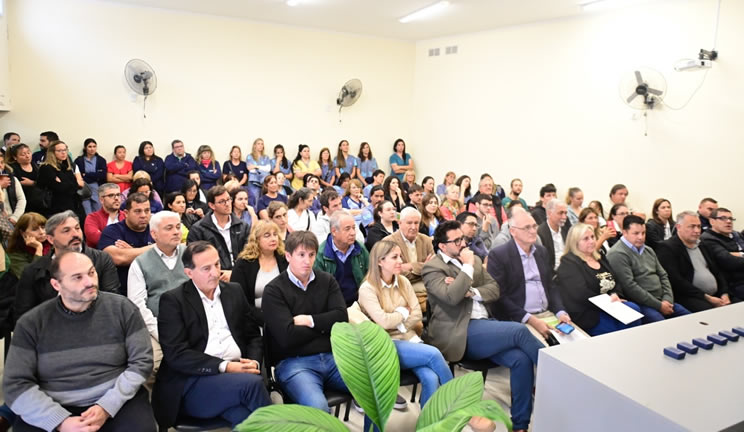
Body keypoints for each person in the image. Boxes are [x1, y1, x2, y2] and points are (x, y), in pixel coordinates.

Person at [4, 251, 156, 432]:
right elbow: (16, 384)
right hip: (54, 402)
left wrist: (107, 407)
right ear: (56, 284)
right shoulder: (32, 324)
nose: (90, 282)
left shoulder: (122, 309)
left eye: (92, 273)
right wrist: (60, 421)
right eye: (77, 277)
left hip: (115, 398)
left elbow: (142, 362)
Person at [422, 220, 543, 432]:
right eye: (456, 240)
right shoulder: (433, 268)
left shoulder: (475, 260)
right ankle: (556, 374)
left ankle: (520, 426)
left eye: (463, 238)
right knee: (520, 331)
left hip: (486, 327)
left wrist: (472, 292)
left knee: (520, 359)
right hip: (458, 331)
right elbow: (451, 298)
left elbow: (494, 289)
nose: (463, 243)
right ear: (442, 246)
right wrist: (466, 268)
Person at [153, 242, 270, 430]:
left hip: (237, 374)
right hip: (195, 382)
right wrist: (226, 367)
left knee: (244, 417)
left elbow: (253, 336)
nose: (215, 273)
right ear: (189, 273)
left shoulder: (234, 291)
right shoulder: (173, 301)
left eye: (217, 264)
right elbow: (177, 354)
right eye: (206, 268)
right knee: (252, 385)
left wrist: (253, 362)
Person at [262, 231, 350, 412]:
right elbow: (286, 337)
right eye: (301, 255)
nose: (307, 261)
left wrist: (310, 321)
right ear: (288, 256)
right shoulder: (274, 290)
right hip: (294, 363)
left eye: (311, 255)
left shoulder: (327, 280)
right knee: (319, 407)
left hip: (333, 358)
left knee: (374, 391)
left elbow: (341, 319)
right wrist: (325, 328)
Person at [359, 240, 453, 407]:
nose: (401, 261)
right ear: (380, 261)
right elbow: (382, 322)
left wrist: (399, 324)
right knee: (434, 354)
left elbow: (416, 313)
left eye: (400, 256)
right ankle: (458, 404)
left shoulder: (403, 281)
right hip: (386, 345)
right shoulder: (367, 289)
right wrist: (402, 312)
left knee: (431, 378)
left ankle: (427, 425)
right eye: (394, 257)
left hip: (408, 338)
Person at [14, 211, 120, 320]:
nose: (75, 234)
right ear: (51, 239)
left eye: (77, 228)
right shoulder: (34, 270)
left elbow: (111, 302)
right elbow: (23, 315)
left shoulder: (101, 259)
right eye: (66, 231)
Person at [487, 211, 573, 344]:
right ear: (513, 231)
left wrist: (561, 312)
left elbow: (551, 286)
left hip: (547, 314)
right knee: (548, 352)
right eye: (527, 227)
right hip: (519, 318)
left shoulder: (541, 251)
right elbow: (499, 297)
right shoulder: (499, 255)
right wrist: (530, 319)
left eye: (534, 226)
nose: (533, 231)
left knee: (578, 342)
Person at [127, 211, 189, 386]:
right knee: (151, 365)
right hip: (156, 327)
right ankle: (155, 411)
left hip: (192, 322)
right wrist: (160, 331)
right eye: (169, 228)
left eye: (178, 227)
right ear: (154, 234)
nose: (176, 232)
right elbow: (137, 305)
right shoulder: (139, 263)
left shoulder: (190, 254)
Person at [554, 223, 642, 336]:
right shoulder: (569, 262)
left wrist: (615, 294)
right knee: (619, 330)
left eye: (592, 237)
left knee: (634, 309)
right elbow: (580, 294)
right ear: (575, 243)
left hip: (610, 306)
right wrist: (608, 302)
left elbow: (615, 280)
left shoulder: (599, 256)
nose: (591, 241)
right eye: (585, 239)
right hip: (588, 312)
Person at [606, 215, 691, 323]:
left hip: (663, 300)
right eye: (636, 233)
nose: (641, 237)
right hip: (641, 303)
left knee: (691, 320)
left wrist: (667, 300)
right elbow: (629, 287)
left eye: (643, 233)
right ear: (624, 232)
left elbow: (663, 275)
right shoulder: (617, 254)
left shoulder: (648, 250)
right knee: (663, 327)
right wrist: (659, 306)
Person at [656, 211, 731, 312]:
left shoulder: (703, 245)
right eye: (692, 227)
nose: (697, 231)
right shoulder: (667, 248)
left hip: (716, 295)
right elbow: (676, 281)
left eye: (699, 226)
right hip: (689, 296)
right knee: (708, 311)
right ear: (678, 227)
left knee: (736, 304)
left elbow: (717, 271)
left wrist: (724, 293)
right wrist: (707, 298)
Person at [187, 185, 250, 279]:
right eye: (222, 201)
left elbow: (249, 253)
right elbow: (195, 259)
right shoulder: (198, 229)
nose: (227, 204)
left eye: (229, 199)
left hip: (241, 275)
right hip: (212, 277)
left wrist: (234, 273)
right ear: (212, 205)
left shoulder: (242, 226)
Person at [99, 193, 154, 295]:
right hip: (122, 291)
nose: (143, 215)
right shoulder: (112, 231)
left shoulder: (156, 229)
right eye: (137, 211)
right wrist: (157, 248)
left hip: (151, 288)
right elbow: (119, 258)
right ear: (126, 213)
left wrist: (131, 251)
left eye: (147, 210)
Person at [231, 220, 287, 320]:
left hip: (285, 315)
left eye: (275, 234)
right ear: (256, 240)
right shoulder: (243, 264)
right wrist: (266, 318)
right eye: (267, 235)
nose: (273, 238)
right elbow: (239, 300)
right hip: (254, 319)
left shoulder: (285, 259)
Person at [314, 210, 369, 306]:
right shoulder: (321, 254)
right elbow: (319, 289)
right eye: (347, 229)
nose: (353, 233)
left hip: (360, 302)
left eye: (353, 228)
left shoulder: (360, 248)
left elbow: (370, 276)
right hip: (334, 306)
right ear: (334, 231)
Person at [383, 207, 434, 312]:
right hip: (401, 291)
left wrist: (410, 266)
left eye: (416, 223)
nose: (413, 227)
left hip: (426, 290)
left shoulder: (426, 240)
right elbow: (393, 274)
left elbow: (433, 268)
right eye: (409, 223)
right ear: (400, 223)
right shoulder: (388, 242)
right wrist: (423, 267)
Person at [701, 208, 744, 300]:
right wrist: (737, 255)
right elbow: (728, 261)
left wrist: (738, 254)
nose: (728, 221)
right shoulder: (708, 239)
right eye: (723, 218)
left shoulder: (736, 234)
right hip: (734, 284)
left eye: (730, 219)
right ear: (712, 221)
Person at [36, 140, 85, 221]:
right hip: (55, 206)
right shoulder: (46, 167)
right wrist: (72, 184)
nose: (63, 153)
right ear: (52, 152)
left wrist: (67, 183)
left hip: (72, 203)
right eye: (59, 151)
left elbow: (73, 186)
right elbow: (60, 187)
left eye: (65, 150)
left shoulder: (66, 167)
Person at [6, 212, 50, 278]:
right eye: (35, 229)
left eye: (43, 227)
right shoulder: (15, 254)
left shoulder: (53, 243)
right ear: (23, 233)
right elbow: (30, 278)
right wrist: (38, 248)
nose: (42, 232)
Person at [83, 183, 126, 248]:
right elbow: (96, 239)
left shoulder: (126, 216)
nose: (116, 198)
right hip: (99, 256)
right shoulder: (92, 218)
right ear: (101, 200)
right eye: (111, 195)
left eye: (118, 195)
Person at [74, 138, 107, 214]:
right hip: (83, 188)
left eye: (94, 146)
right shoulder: (79, 160)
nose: (92, 149)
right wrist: (94, 175)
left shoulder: (101, 160)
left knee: (98, 210)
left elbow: (102, 175)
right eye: (90, 146)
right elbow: (78, 175)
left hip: (97, 189)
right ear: (85, 148)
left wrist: (86, 174)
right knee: (87, 211)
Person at [536, 199, 571, 272]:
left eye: (565, 213)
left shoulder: (566, 229)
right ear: (549, 213)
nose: (564, 217)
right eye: (561, 213)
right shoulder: (540, 233)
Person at [9, 144, 43, 214]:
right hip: (22, 202)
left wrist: (32, 183)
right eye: (23, 154)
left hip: (38, 201)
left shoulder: (36, 166)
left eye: (28, 153)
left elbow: (43, 183)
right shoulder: (12, 168)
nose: (27, 156)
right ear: (15, 157)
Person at [0, 154, 26, 223]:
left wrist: (15, 217)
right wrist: (0, 186)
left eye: (2, 163)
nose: (0, 166)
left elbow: (21, 199)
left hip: (12, 219)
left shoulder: (12, 179)